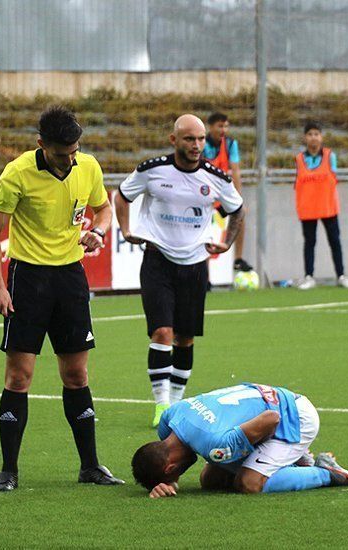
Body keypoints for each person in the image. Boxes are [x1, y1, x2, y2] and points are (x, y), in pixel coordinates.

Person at [0, 105, 123, 492]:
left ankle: (90, 466)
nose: (70, 159)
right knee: (19, 376)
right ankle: (9, 470)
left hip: (70, 279)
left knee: (77, 374)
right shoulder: (17, 172)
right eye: (62, 153)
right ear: (41, 144)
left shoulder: (88, 167)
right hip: (27, 279)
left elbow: (104, 208)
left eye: (75, 151)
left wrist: (100, 230)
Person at [114, 114, 245, 428]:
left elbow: (238, 209)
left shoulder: (216, 177)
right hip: (158, 261)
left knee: (185, 339)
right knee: (162, 332)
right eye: (189, 139)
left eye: (200, 139)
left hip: (195, 266)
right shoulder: (151, 170)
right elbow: (121, 196)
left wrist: (227, 243)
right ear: (174, 140)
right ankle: (162, 406)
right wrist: (126, 229)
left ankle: (177, 401)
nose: (197, 145)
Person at [131, 383, 348, 498]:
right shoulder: (169, 419)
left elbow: (272, 419)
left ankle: (325, 472)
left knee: (248, 483)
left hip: (294, 417)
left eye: (175, 475)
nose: (178, 478)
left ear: (170, 467)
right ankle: (289, 461)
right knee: (210, 479)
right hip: (266, 395)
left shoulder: (214, 445)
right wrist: (169, 482)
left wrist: (277, 455)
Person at [294, 120, 348, 290]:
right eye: (310, 134)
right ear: (305, 138)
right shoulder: (299, 159)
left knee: (335, 241)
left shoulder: (330, 157)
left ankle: (341, 275)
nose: (313, 138)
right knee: (309, 242)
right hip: (308, 208)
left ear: (321, 137)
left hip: (328, 207)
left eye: (316, 134)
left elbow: (333, 178)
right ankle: (309, 276)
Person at [203, 112, 251, 272]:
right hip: (204, 193)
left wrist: (238, 198)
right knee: (205, 230)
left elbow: (235, 171)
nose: (223, 129)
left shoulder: (230, 144)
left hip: (221, 193)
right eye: (220, 126)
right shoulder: (202, 144)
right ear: (210, 127)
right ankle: (206, 274)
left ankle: (238, 259)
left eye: (226, 125)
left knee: (240, 216)